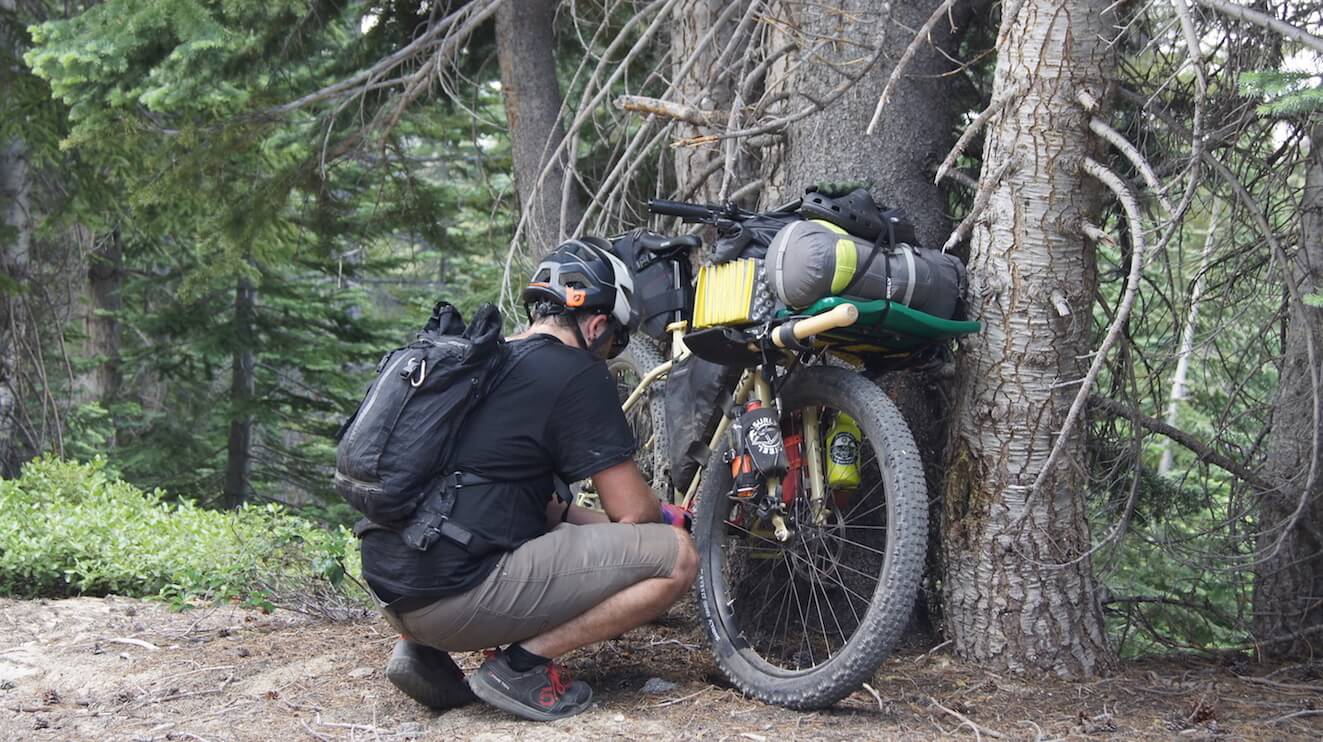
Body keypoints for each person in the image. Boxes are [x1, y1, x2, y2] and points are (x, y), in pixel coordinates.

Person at [358, 237, 697, 722]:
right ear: (598, 324)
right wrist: (665, 518)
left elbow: (536, 508)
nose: (609, 352)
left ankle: (422, 650)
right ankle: (519, 666)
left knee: (552, 531)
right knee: (676, 558)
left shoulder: (482, 360)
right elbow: (634, 514)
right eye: (616, 341)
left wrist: (603, 522)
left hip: (394, 587)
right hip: (451, 597)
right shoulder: (576, 371)